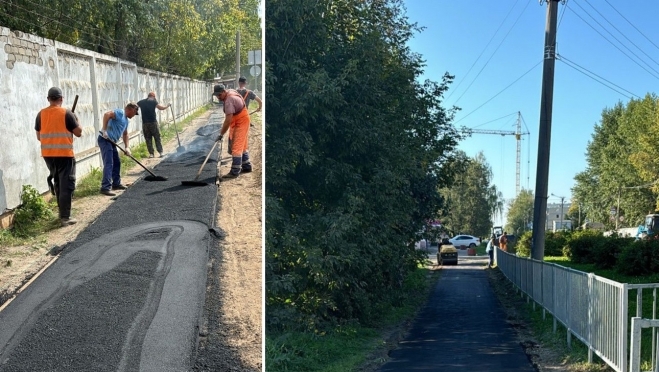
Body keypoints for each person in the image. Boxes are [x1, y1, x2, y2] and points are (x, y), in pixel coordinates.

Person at [34, 87, 82, 227]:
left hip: (48, 155)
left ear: (48, 99)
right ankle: (65, 218)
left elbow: (39, 137)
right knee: (66, 184)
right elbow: (78, 132)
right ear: (61, 99)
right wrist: (76, 119)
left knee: (58, 183)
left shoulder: (40, 114)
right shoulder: (66, 113)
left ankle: (62, 214)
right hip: (64, 155)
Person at [98, 103, 139, 196]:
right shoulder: (120, 113)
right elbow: (106, 114)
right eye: (135, 112)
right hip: (105, 140)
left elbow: (125, 134)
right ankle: (105, 187)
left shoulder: (126, 121)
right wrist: (104, 130)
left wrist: (127, 147)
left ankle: (116, 184)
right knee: (109, 163)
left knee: (117, 162)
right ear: (131, 110)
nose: (134, 115)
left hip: (112, 142)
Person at [213, 84, 253, 179]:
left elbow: (228, 120)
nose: (218, 98)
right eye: (216, 96)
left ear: (223, 92)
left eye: (219, 95)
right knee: (242, 145)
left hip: (241, 121)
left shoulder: (229, 101)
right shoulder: (230, 92)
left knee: (236, 146)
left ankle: (235, 172)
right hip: (241, 119)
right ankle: (247, 166)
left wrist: (221, 134)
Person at [137, 92, 170, 158]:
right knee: (157, 137)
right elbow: (161, 108)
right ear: (153, 97)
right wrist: (167, 106)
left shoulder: (141, 102)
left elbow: (135, 107)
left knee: (148, 139)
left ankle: (151, 154)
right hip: (153, 123)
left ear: (148, 96)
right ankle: (160, 152)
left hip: (145, 124)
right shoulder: (154, 101)